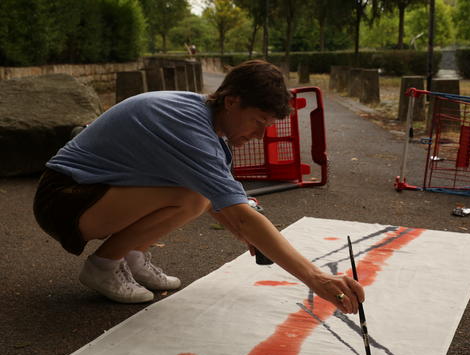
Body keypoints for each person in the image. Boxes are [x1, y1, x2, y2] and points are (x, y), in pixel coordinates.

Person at [33, 59, 364, 314]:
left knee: (199, 195)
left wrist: (241, 227)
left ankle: (130, 256)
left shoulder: (201, 118)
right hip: (63, 200)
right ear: (232, 101)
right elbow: (238, 211)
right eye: (259, 122)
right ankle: (104, 266)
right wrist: (317, 279)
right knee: (193, 196)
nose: (260, 135)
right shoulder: (190, 129)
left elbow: (228, 205)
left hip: (92, 192)